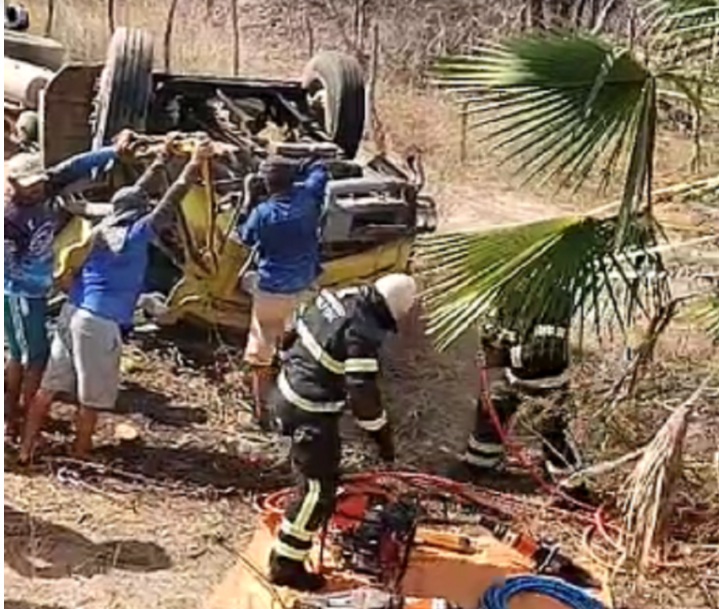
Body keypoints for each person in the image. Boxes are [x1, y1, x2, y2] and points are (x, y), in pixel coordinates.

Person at [18, 136, 214, 462]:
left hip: (73, 312)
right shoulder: (136, 235)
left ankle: (26, 447)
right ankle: (80, 453)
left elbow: (133, 195)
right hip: (99, 323)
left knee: (49, 387)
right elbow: (170, 200)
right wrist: (193, 165)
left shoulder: (103, 223)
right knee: (91, 398)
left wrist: (162, 159)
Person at [267, 273, 418, 591]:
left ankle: (292, 551)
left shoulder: (340, 294)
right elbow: (362, 391)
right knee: (316, 491)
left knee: (317, 476)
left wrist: (286, 363)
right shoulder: (363, 331)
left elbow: (293, 326)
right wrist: (381, 435)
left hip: (286, 389)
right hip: (308, 410)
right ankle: (286, 565)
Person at [4, 136, 130, 441]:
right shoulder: (11, 218)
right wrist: (47, 274)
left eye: (37, 183)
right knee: (29, 357)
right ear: (14, 185)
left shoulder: (46, 187)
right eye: (28, 185)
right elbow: (8, 266)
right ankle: (15, 415)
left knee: (31, 354)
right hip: (19, 293)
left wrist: (114, 151)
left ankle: (24, 412)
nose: (35, 189)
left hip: (36, 290)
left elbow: (76, 166)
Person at [239, 155, 329, 428]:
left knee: (261, 354)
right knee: (304, 351)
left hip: (271, 293)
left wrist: (247, 201)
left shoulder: (263, 213)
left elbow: (245, 237)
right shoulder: (309, 197)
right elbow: (321, 171)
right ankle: (303, 409)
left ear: (266, 185)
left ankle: (261, 415)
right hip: (305, 291)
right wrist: (303, 163)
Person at [454, 305, 584, 487]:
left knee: (550, 429)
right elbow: (499, 335)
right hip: (514, 379)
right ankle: (480, 465)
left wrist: (504, 356)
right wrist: (490, 344)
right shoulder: (510, 301)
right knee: (491, 408)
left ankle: (571, 485)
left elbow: (549, 353)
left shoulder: (551, 303)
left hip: (547, 384)